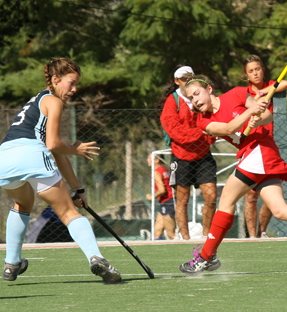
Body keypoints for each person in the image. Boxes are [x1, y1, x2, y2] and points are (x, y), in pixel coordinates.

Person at [179, 75, 287, 273]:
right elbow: (229, 128)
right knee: (280, 210)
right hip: (253, 157)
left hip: (261, 151)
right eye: (191, 98)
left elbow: (267, 117)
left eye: (197, 93)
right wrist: (250, 112)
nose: (195, 100)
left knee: (226, 201)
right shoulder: (203, 121)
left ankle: (206, 257)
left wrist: (258, 118)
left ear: (209, 89)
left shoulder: (238, 93)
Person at [0, 58, 121, 284]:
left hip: (4, 160)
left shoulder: (36, 101)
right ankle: (97, 258)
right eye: (71, 83)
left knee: (22, 205)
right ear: (56, 79)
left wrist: (77, 189)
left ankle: (11, 264)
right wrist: (76, 149)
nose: (74, 90)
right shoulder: (53, 102)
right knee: (68, 214)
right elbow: (53, 145)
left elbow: (55, 152)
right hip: (31, 155)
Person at [159, 65, 217, 240]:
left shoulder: (200, 95)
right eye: (183, 78)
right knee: (182, 201)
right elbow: (174, 130)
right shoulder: (172, 101)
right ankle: (185, 238)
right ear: (176, 81)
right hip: (181, 157)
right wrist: (201, 133)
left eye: (190, 77)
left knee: (211, 196)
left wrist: (210, 136)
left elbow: (213, 119)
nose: (187, 81)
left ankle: (207, 235)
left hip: (203, 154)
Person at [236, 55, 287, 239]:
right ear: (246, 74)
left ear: (263, 69)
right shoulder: (242, 94)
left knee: (270, 196)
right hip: (251, 146)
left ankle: (262, 231)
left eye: (257, 69)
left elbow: (285, 83)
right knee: (251, 196)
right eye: (251, 71)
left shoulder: (270, 87)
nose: (255, 73)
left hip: (270, 148)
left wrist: (262, 92)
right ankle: (251, 236)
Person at [146, 154, 176, 240]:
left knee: (171, 235)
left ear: (157, 160)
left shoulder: (156, 172)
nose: (147, 160)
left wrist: (152, 196)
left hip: (168, 201)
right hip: (166, 202)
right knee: (157, 232)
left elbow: (162, 189)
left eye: (149, 158)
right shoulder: (165, 169)